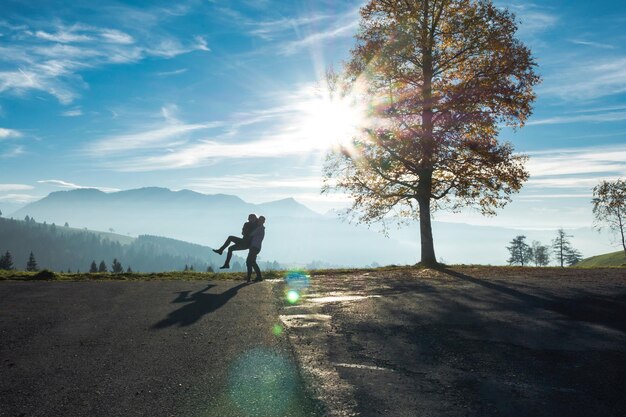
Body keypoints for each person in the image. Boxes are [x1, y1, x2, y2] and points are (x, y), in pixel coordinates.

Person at [246, 216, 265, 282]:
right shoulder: (261, 228)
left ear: (263, 222)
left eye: (261, 221)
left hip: (254, 247)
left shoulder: (260, 228)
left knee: (249, 262)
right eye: (259, 220)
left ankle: (250, 278)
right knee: (252, 262)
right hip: (256, 247)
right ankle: (258, 277)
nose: (260, 221)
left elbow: (251, 234)